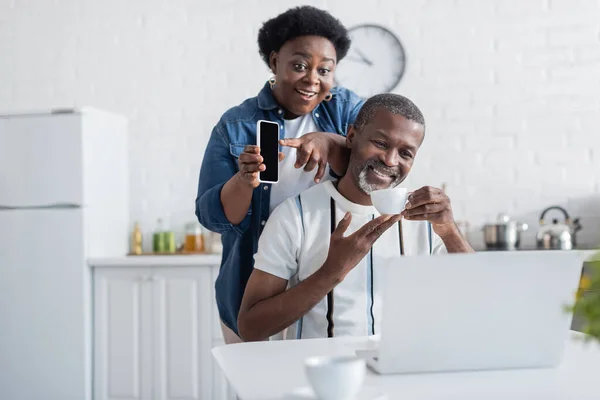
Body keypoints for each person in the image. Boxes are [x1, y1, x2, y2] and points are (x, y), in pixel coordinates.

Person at [237, 93, 474, 342]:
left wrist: (450, 231)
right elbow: (251, 327)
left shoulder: (426, 221)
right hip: (319, 375)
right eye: (381, 143)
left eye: (405, 153)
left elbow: (478, 298)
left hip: (402, 372)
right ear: (351, 137)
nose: (390, 160)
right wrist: (332, 272)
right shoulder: (295, 215)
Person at [195, 6, 365, 343]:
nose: (312, 79)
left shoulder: (345, 109)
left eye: (325, 69)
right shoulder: (236, 124)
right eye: (300, 65)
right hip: (255, 286)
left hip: (332, 286)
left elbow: (374, 169)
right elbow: (212, 217)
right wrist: (243, 181)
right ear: (274, 62)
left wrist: (327, 141)